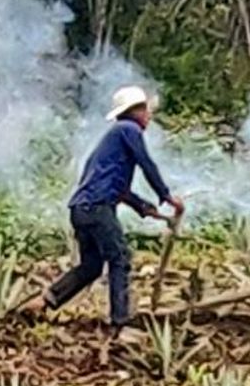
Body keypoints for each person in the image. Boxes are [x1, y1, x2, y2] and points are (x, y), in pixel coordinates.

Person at [32, 85, 184, 331]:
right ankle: (120, 324)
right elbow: (146, 163)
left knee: (92, 266)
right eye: (145, 109)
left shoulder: (114, 140)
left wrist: (145, 208)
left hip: (81, 209)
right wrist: (166, 196)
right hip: (97, 208)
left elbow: (120, 189)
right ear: (135, 111)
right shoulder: (129, 129)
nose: (149, 115)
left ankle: (48, 299)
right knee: (120, 258)